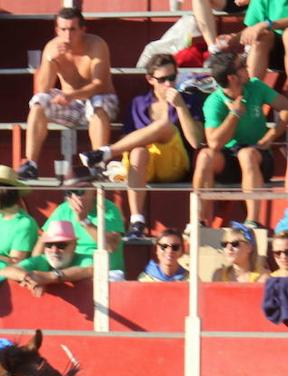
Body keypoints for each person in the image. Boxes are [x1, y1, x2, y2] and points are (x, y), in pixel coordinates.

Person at [78, 55, 205, 241]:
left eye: (172, 78)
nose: (168, 84)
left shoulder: (189, 100)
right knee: (137, 152)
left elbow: (195, 141)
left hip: (174, 163)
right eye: (162, 79)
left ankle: (104, 153)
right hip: (143, 165)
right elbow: (126, 140)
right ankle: (137, 221)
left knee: (164, 126)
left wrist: (180, 107)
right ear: (150, 79)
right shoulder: (138, 103)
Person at [17, 8, 117, 181]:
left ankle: (99, 165)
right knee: (38, 102)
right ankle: (31, 164)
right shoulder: (51, 48)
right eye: (63, 30)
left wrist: (71, 95)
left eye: (72, 29)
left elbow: (99, 84)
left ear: (83, 29)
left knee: (97, 103)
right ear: (57, 30)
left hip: (101, 102)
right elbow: (42, 88)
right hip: (71, 106)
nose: (68, 35)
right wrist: (50, 60)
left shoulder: (96, 45)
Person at [194, 52, 288, 227]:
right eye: (242, 67)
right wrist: (234, 114)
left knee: (247, 154)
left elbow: (285, 107)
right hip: (228, 158)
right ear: (232, 78)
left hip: (257, 155)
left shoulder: (256, 87)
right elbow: (214, 143)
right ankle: (200, 221)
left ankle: (252, 221)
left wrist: (272, 135)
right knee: (205, 156)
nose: (247, 68)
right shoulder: (214, 102)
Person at [34, 178, 125, 276]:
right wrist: (38, 270)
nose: (74, 197)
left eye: (79, 192)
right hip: (69, 270)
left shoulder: (108, 209)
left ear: (92, 190)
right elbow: (42, 242)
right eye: (69, 193)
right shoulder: (63, 209)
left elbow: (110, 246)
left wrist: (84, 221)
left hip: (103, 272)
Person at [0, 220, 92, 296]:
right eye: (49, 244)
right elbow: (5, 271)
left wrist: (50, 277)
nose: (54, 250)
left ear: (74, 245)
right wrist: (29, 278)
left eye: (61, 245)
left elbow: (91, 269)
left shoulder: (85, 259)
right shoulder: (42, 259)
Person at [240, 0, 288, 79]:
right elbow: (251, 30)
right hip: (274, 52)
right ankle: (252, 88)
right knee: (261, 37)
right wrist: (229, 41)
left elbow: (263, 25)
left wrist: (268, 24)